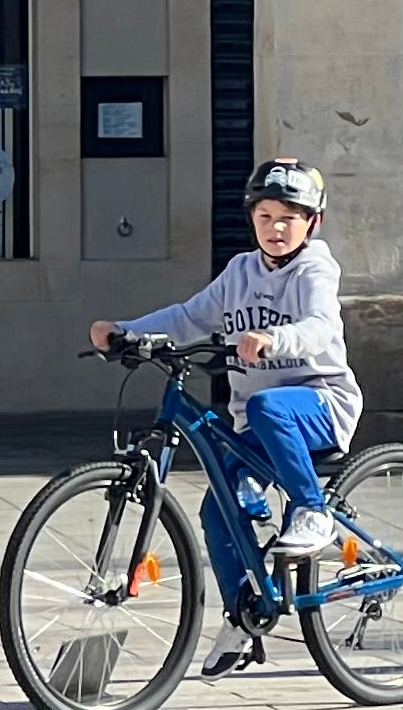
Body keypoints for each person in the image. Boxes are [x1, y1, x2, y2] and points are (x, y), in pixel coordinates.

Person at [101, 161, 355, 560]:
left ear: (313, 222)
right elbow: (189, 318)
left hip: (321, 406)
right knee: (218, 510)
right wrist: (126, 331)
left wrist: (274, 338)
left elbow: (320, 326)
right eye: (265, 216)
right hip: (257, 422)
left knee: (267, 405)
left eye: (289, 219)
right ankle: (241, 615)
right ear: (251, 217)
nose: (276, 229)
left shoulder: (314, 269)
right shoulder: (240, 270)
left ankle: (312, 510)